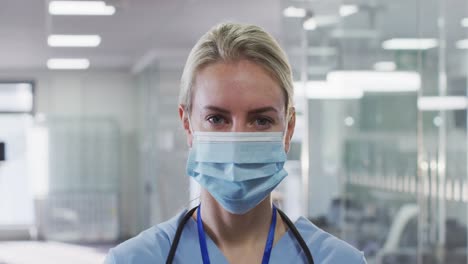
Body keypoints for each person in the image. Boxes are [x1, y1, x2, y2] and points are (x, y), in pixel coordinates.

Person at [105, 22, 367, 264]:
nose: (237, 140)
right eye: (216, 118)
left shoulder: (338, 261)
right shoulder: (134, 260)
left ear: (288, 129)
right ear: (188, 125)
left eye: (261, 120)